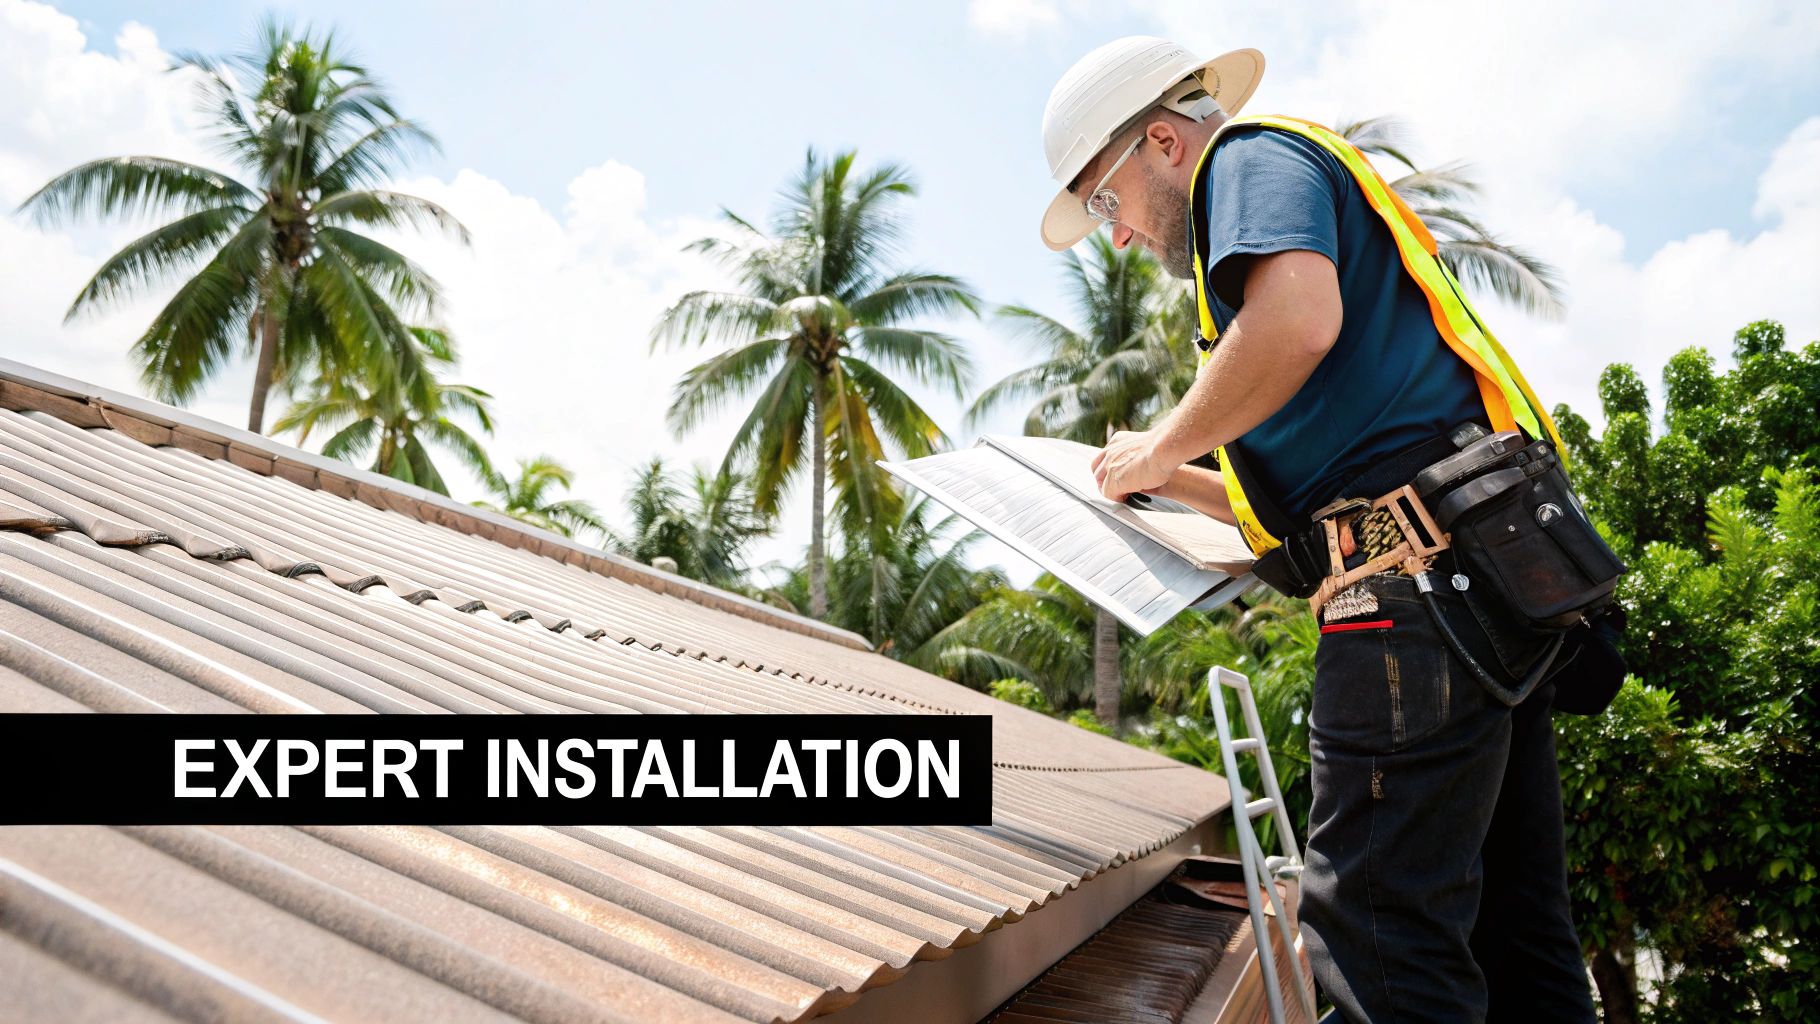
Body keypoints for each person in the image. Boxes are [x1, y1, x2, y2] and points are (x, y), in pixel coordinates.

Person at [1037, 37, 1599, 1022]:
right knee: (1514, 940)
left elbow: (1295, 322)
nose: (1113, 235)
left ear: (1162, 142)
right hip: (1468, 580)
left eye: (1100, 202)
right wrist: (1165, 482)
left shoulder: (1248, 159)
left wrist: (1163, 447)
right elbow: (1321, 484)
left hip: (1411, 606)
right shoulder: (1272, 206)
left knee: (1378, 944)